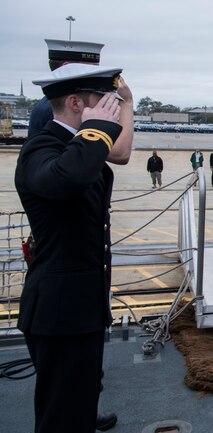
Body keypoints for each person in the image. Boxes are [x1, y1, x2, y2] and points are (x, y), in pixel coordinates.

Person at [15, 63, 124, 433]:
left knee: (79, 406)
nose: (111, 106)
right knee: (60, 419)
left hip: (81, 307)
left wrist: (113, 117)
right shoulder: (40, 150)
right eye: (102, 100)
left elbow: (110, 159)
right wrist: (97, 130)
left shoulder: (73, 146)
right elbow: (67, 179)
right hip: (60, 313)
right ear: (77, 103)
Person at [28, 39, 133, 166]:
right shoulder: (60, 110)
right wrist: (126, 103)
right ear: (66, 68)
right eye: (90, 68)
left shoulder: (52, 103)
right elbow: (120, 154)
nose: (96, 73)